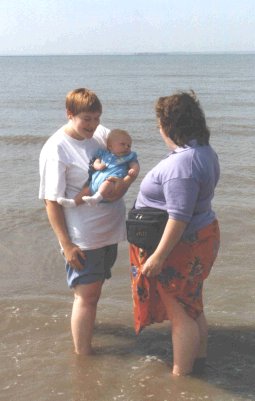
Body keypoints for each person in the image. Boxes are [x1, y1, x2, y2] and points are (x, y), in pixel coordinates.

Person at [129, 91, 220, 376]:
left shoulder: (183, 165)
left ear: (169, 125)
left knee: (180, 314)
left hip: (181, 246)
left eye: (159, 122)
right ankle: (200, 362)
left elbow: (179, 218)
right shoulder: (203, 151)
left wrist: (158, 256)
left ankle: (181, 377)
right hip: (200, 236)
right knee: (192, 306)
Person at [39, 88, 136, 355]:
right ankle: (83, 358)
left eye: (96, 118)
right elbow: (51, 202)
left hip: (110, 231)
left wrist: (127, 180)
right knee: (87, 297)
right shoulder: (57, 149)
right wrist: (67, 245)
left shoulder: (101, 135)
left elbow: (123, 159)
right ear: (70, 115)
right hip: (85, 238)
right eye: (86, 119)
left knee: (92, 292)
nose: (92, 126)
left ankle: (86, 332)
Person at [57, 129, 139, 208]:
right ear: (110, 146)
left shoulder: (128, 157)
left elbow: (134, 164)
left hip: (112, 181)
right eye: (123, 144)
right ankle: (73, 202)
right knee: (86, 190)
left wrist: (133, 170)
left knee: (107, 183)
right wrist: (98, 166)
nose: (126, 147)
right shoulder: (104, 154)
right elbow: (96, 161)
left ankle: (97, 197)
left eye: (129, 145)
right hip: (95, 181)